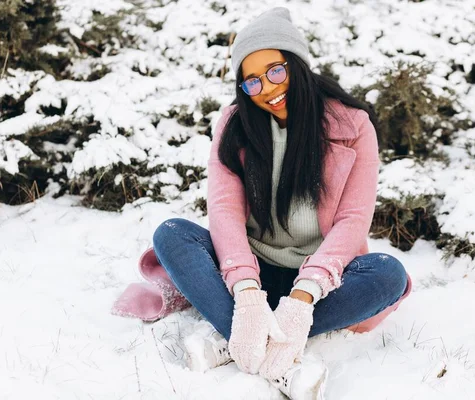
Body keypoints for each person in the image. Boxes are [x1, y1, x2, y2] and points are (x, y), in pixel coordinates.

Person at [151, 7, 411, 399]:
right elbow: (224, 211)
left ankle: (249, 339)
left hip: (321, 277)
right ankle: (258, 337)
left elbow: (353, 219)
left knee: (389, 274)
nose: (268, 89)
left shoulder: (353, 125)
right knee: (172, 234)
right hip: (249, 269)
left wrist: (305, 295)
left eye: (276, 71)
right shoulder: (235, 123)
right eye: (251, 82)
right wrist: (246, 291)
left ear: (296, 64)